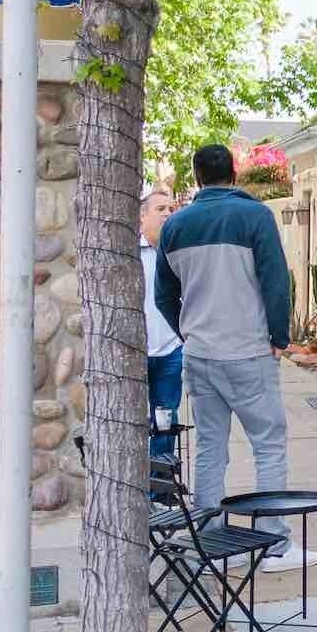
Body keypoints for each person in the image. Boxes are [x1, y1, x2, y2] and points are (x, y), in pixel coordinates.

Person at [154, 144, 316, 572]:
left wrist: (188, 334)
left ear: (197, 177)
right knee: (269, 445)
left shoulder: (174, 226)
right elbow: (276, 282)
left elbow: (164, 296)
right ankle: (273, 547)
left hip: (200, 356)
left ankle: (211, 549)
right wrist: (278, 337)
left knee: (210, 449)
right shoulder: (255, 216)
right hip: (248, 352)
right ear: (234, 173)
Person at [138, 188, 183, 459]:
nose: (168, 214)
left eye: (171, 209)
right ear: (142, 216)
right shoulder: (129, 254)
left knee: (166, 420)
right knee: (135, 420)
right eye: (161, 209)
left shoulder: (177, 253)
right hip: (137, 351)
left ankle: (162, 481)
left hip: (170, 351)